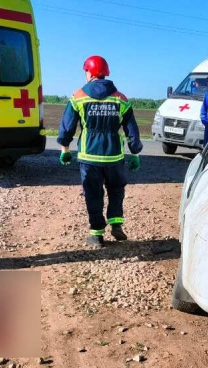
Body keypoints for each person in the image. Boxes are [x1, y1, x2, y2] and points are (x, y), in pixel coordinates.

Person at [57, 55, 143, 249]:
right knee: (116, 190)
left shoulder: (78, 97)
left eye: (86, 71)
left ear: (90, 72)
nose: (85, 74)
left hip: (89, 157)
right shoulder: (120, 98)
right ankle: (116, 223)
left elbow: (67, 126)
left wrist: (65, 149)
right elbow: (132, 130)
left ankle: (96, 235)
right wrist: (135, 153)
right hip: (114, 156)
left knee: (93, 193)